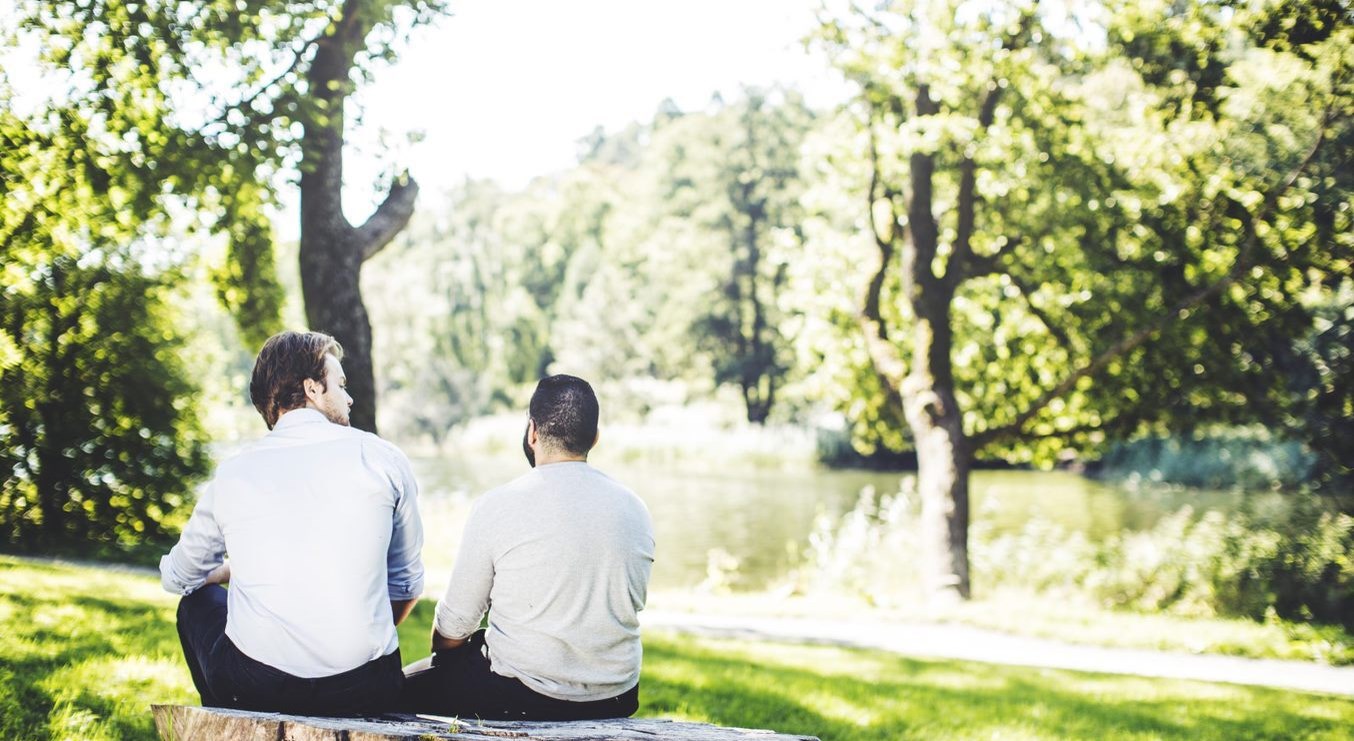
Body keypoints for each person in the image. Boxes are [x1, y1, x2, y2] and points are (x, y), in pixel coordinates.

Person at [159, 330, 424, 716]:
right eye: (341, 384)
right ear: (313, 389)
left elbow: (177, 577)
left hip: (256, 686)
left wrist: (226, 572)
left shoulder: (235, 472)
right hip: (366, 687)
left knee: (197, 603)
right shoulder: (383, 458)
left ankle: (234, 722)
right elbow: (406, 584)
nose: (349, 397)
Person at [401, 374, 655, 720]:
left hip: (520, 694)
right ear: (594, 438)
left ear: (532, 432)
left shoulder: (500, 504)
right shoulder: (635, 508)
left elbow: (454, 626)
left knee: (391, 692)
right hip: (616, 696)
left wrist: (445, 656)